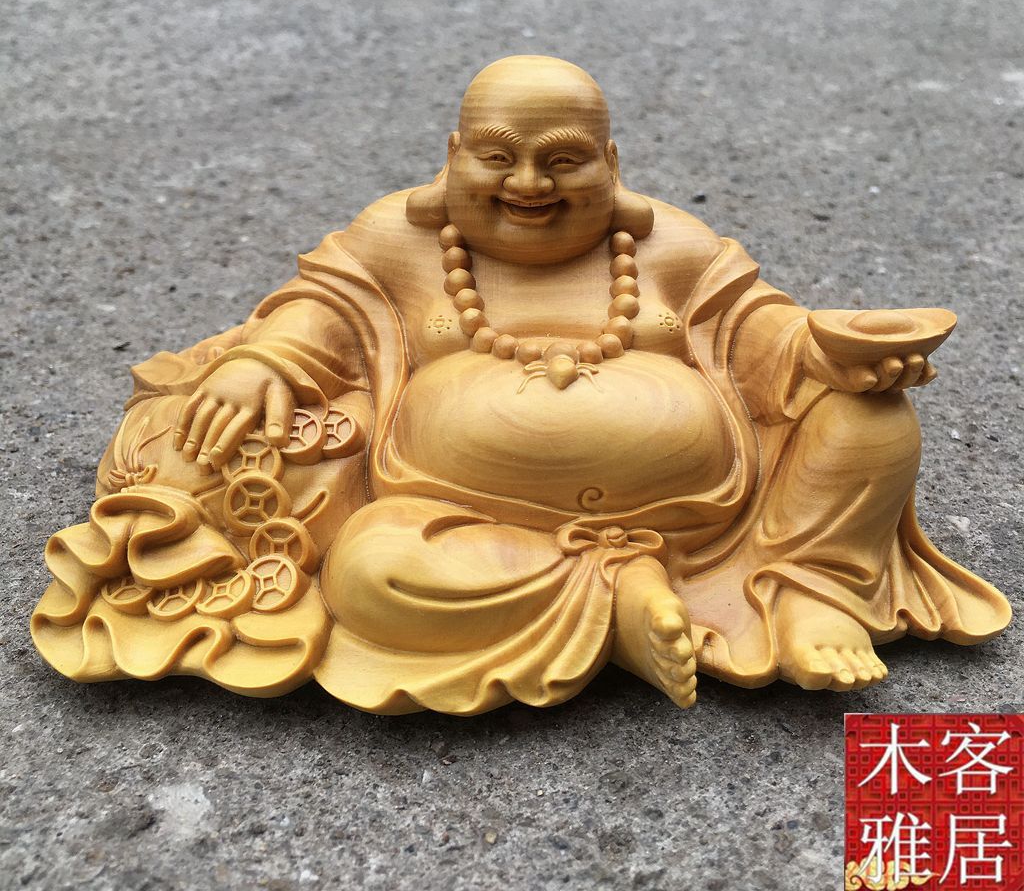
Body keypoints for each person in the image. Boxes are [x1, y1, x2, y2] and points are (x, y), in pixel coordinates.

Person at [31, 56, 1010, 714]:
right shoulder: (400, 240)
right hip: (455, 517)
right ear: (453, 156)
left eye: (564, 160)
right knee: (367, 575)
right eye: (498, 157)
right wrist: (265, 360)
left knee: (869, 419)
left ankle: (804, 583)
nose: (530, 184)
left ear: (611, 162)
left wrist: (829, 350)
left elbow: (758, 334)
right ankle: (614, 602)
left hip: (716, 513)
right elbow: (323, 308)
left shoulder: (669, 245)